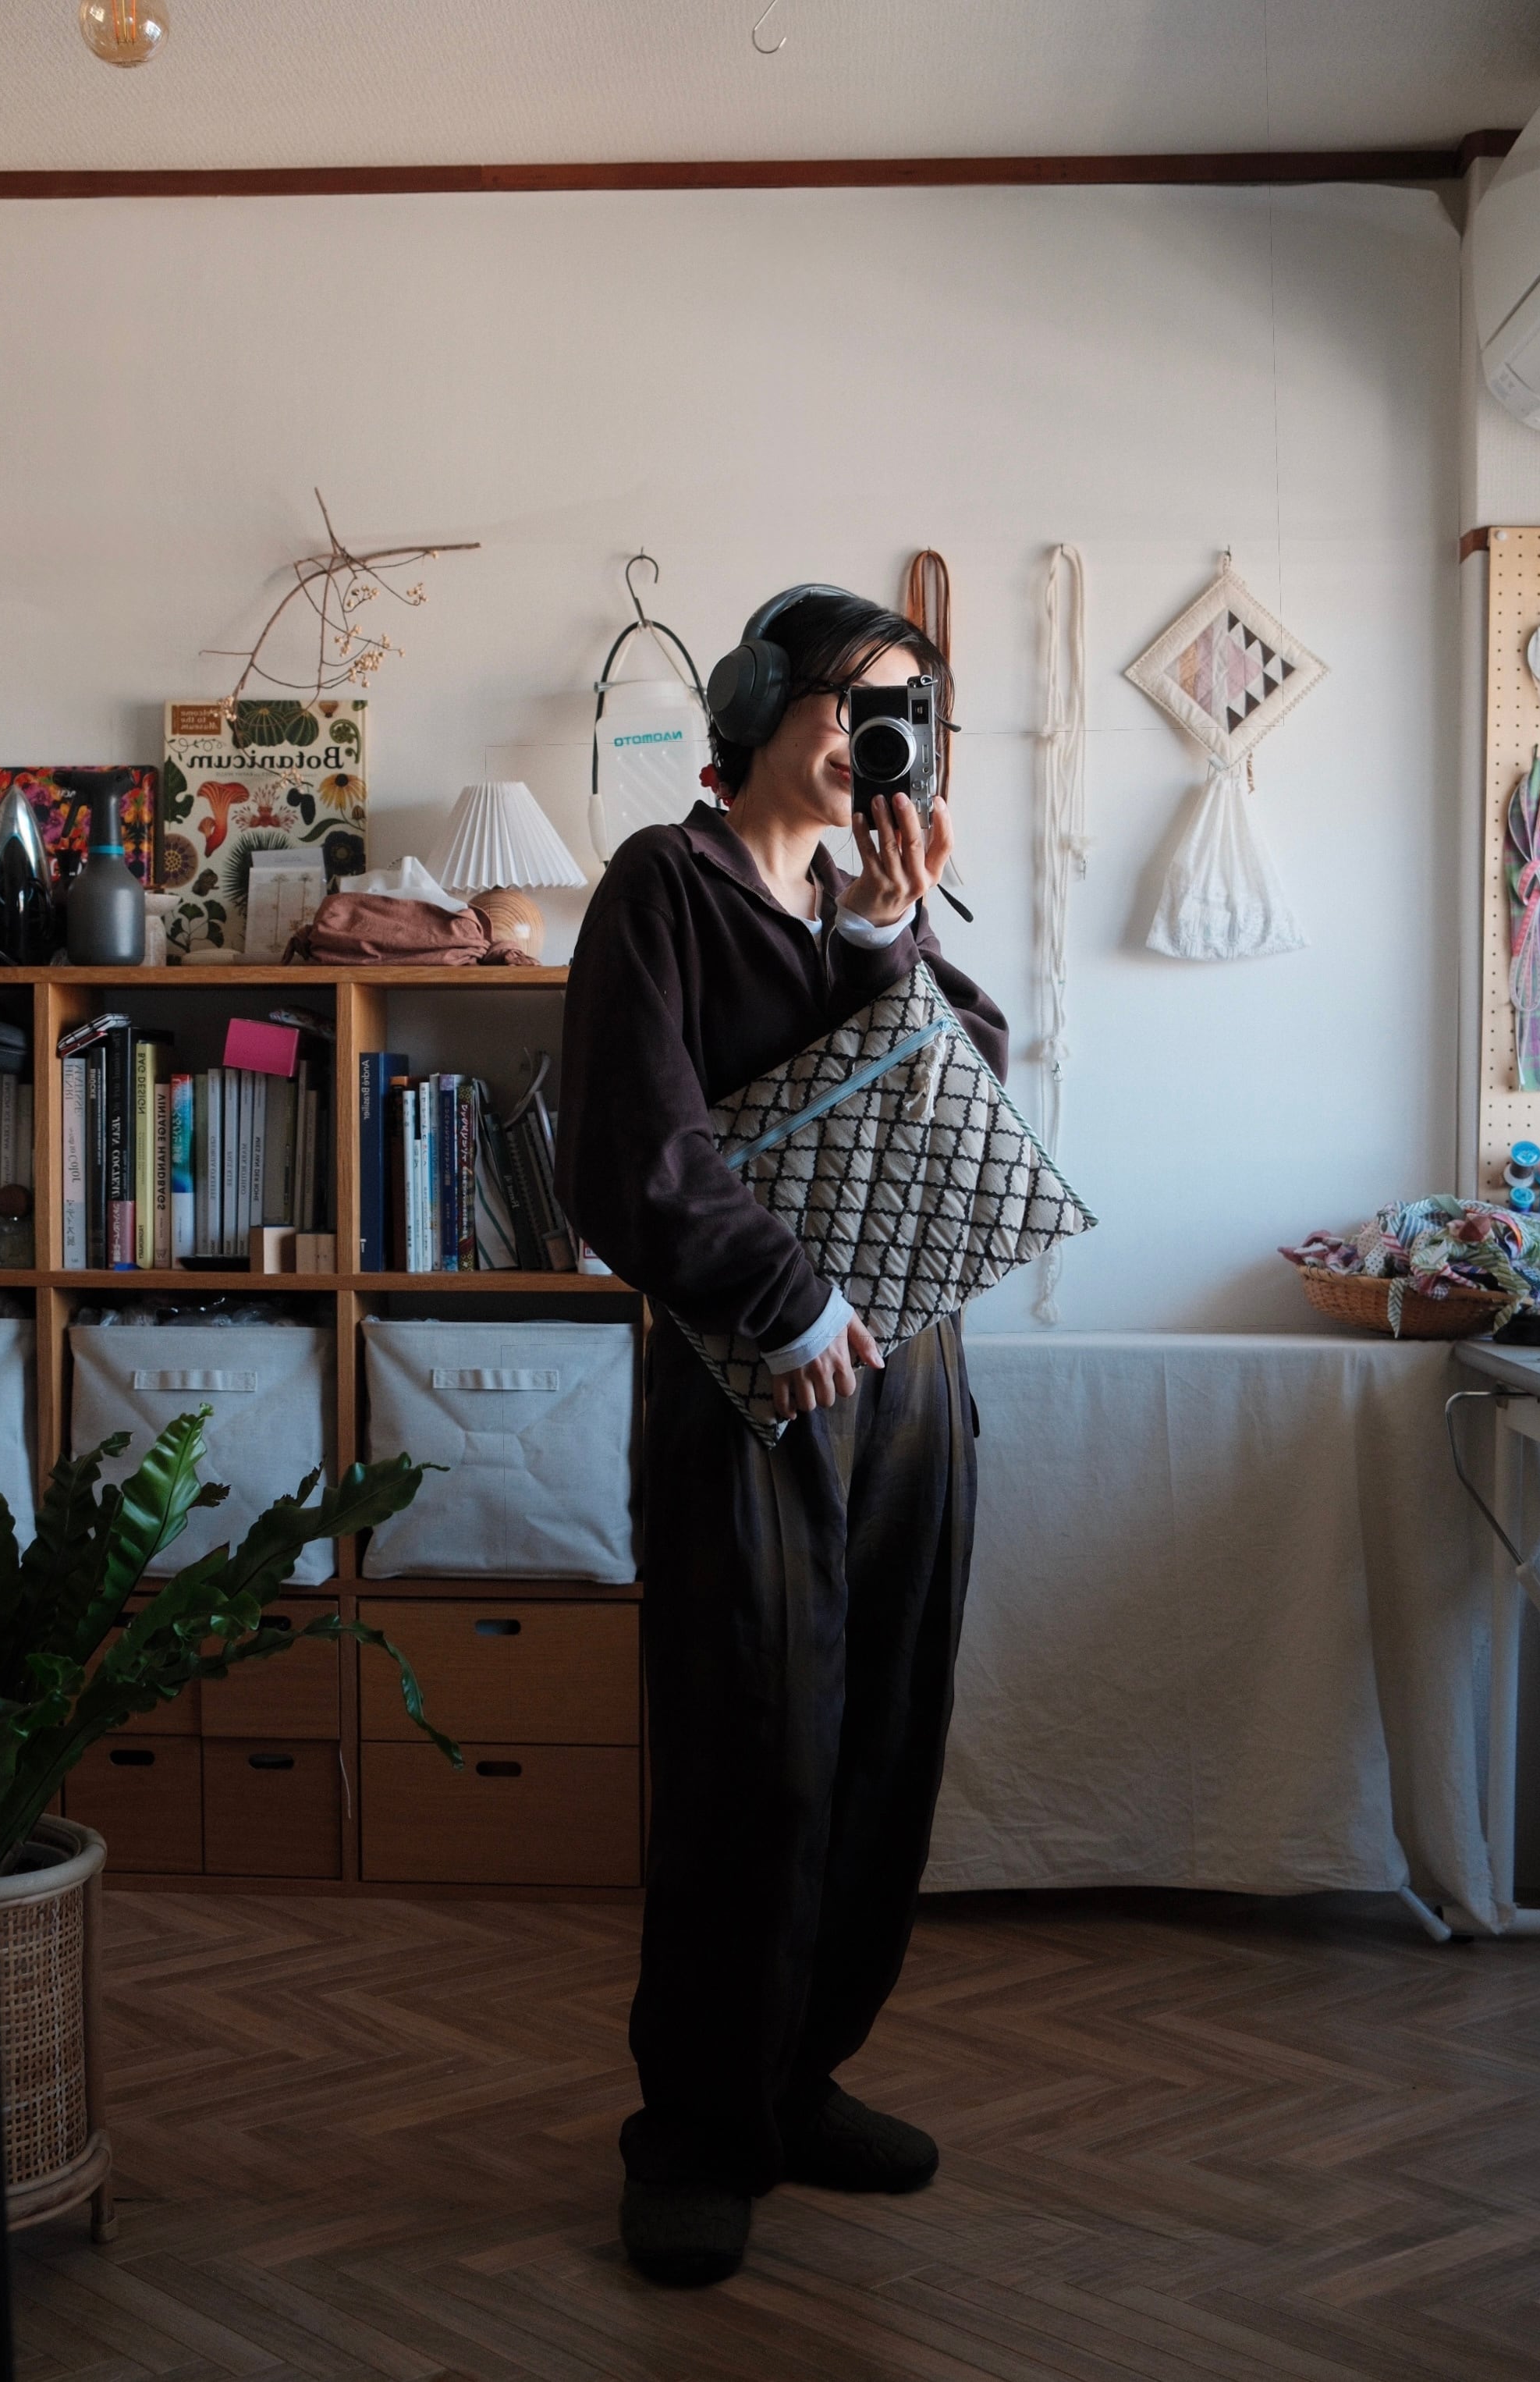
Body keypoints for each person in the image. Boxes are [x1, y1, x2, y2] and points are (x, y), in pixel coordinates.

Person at [555, 588, 1009, 2287]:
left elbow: (970, 1103)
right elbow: (634, 1146)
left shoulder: (869, 907)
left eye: (907, 712)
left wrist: (892, 937)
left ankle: (796, 2080)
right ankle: (692, 2131)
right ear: (760, 702)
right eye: (851, 700)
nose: (877, 739)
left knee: (881, 1729)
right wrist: (784, 1298)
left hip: (909, 1387)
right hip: (749, 1380)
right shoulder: (662, 888)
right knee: (751, 1740)